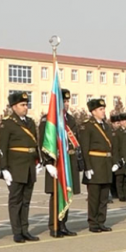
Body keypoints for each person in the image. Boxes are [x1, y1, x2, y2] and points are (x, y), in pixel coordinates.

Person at [0, 92, 41, 243]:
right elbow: (2, 147)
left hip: (29, 167)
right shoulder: (8, 123)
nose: (25, 107)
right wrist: (4, 169)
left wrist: (38, 161)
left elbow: (35, 143)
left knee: (26, 201)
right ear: (14, 106)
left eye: (26, 104)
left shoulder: (30, 122)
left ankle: (25, 229)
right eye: (22, 105)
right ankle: (17, 232)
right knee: (15, 201)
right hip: (15, 167)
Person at [39, 89, 80, 238]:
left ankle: (63, 224)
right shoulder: (48, 120)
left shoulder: (70, 119)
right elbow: (43, 142)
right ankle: (54, 226)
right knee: (56, 195)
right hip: (56, 162)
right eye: (64, 102)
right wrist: (47, 162)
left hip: (68, 162)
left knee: (67, 194)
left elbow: (74, 141)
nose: (67, 104)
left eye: (68, 101)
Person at [80, 99, 117, 233]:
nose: (103, 112)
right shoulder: (87, 126)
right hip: (95, 164)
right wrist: (87, 167)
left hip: (106, 164)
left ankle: (101, 221)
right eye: (100, 109)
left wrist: (114, 162)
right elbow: (85, 147)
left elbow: (112, 146)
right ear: (93, 111)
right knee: (94, 197)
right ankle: (93, 223)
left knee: (104, 197)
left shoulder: (106, 126)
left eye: (103, 109)